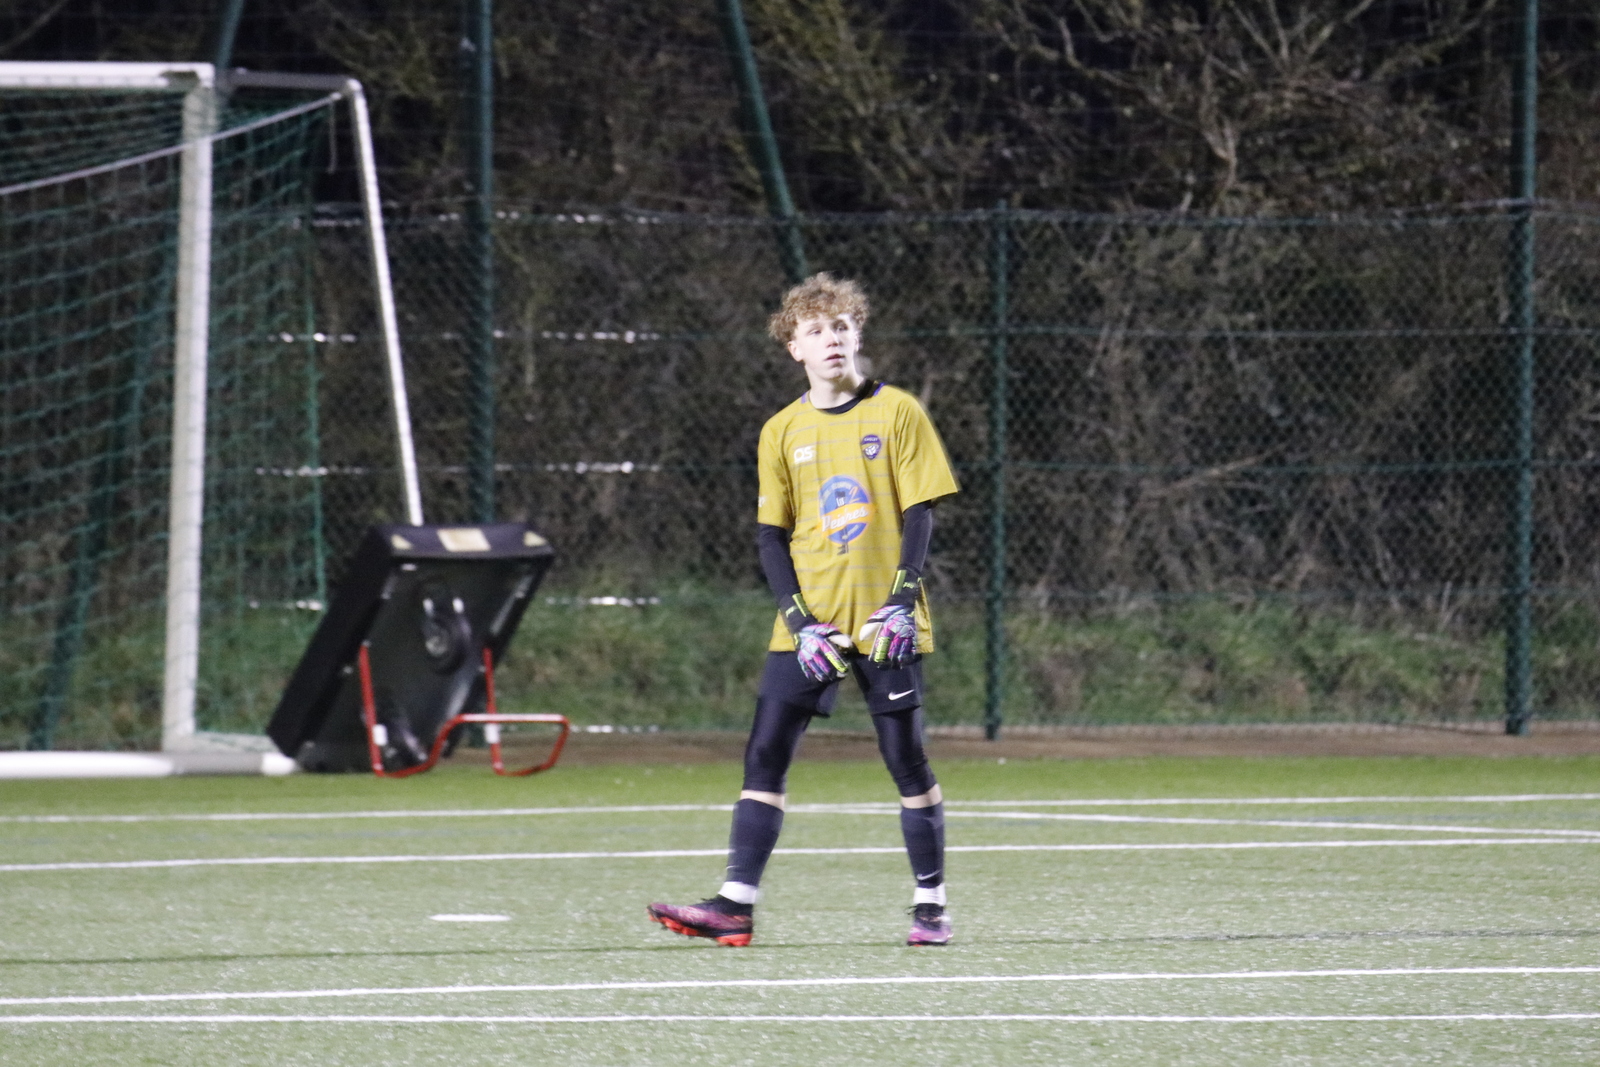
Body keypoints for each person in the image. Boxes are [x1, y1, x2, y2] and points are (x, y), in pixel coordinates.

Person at [647, 273, 961, 947]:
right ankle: (735, 906)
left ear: (858, 334)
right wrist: (798, 620)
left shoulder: (898, 412)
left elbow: (919, 514)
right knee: (764, 753)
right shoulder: (781, 431)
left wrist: (900, 602)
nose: (832, 339)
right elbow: (770, 536)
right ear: (794, 348)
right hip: (810, 623)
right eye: (816, 330)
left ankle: (931, 904)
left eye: (841, 326)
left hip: (884, 621)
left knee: (905, 757)